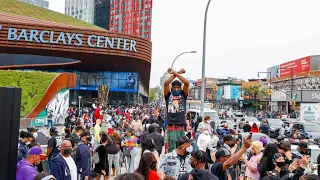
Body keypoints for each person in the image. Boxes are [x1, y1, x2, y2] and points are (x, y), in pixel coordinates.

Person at [164, 68, 189, 152]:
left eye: (178, 87)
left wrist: (175, 73)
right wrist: (177, 73)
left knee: (182, 151)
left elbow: (186, 83)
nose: (176, 89)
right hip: (172, 129)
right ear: (171, 88)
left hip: (181, 130)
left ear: (180, 88)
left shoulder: (183, 95)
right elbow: (166, 83)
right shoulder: (168, 95)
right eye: (174, 87)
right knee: (172, 153)